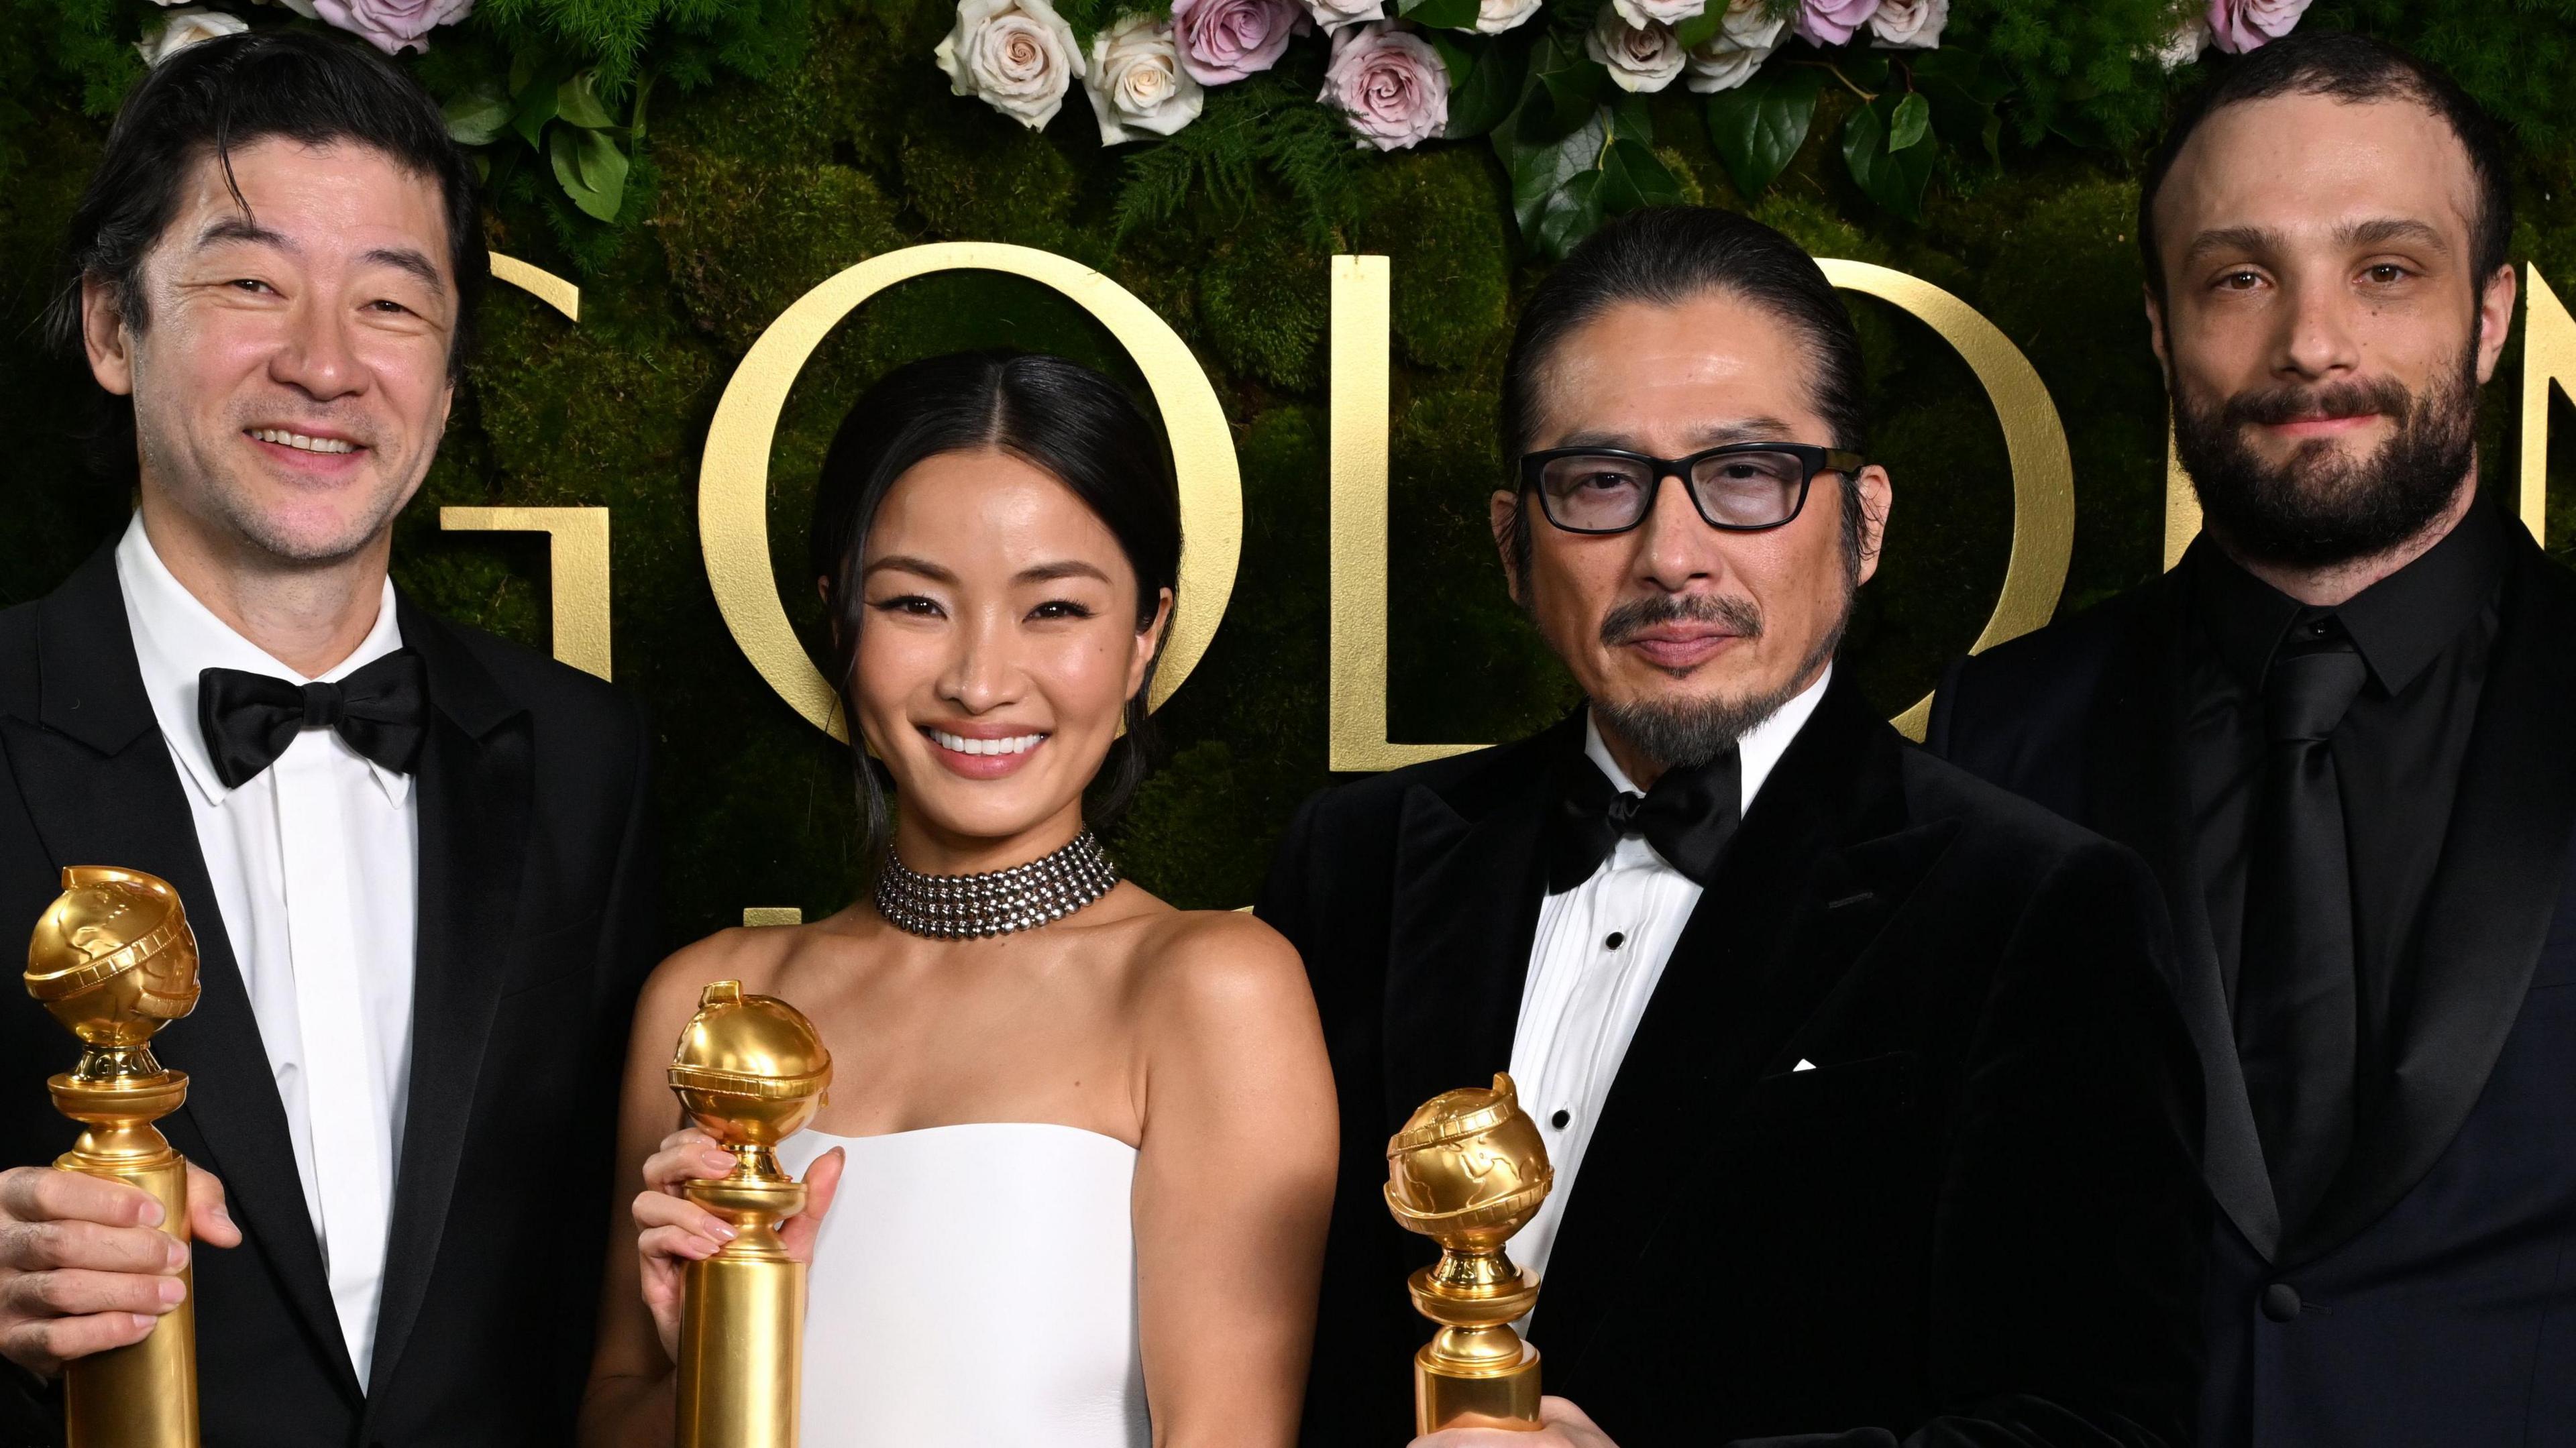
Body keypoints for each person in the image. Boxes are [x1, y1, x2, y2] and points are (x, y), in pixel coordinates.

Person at [1261, 205, 2208, 1448]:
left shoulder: (2038, 907)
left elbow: (2094, 1428)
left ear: (1864, 522)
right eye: (1601, 483)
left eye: (1745, 477)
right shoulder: (1355, 861)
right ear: (1511, 545)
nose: (1672, 555)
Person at [0, 28, 660, 1448]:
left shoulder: (586, 764)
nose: (325, 364)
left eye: (392, 307)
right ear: (115, 327)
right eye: (251, 283)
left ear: (449, 370)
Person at [1928, 32, 2576, 1447]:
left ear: (2492, 315)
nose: (2312, 344)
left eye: (2386, 270)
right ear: (2162, 328)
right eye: (2239, 278)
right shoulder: (2000, 739)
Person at [578, 349, 1338, 1447]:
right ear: (839, 619)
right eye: (918, 603)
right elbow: (617, 1422)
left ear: (1145, 637)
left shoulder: (1211, 986)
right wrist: (709, 1349)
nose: (980, 681)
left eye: (1056, 609)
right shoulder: (707, 1003)